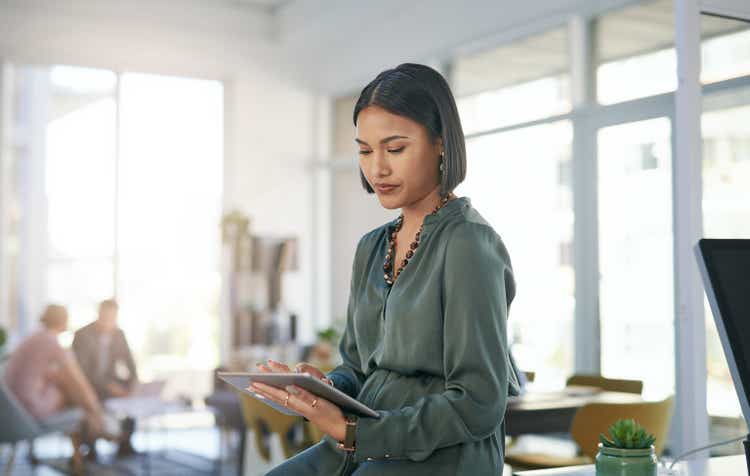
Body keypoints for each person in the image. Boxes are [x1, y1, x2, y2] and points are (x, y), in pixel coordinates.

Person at [250, 63, 521, 475]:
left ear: (441, 144)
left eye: (395, 149)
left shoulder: (469, 245)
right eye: (364, 150)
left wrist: (357, 432)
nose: (377, 168)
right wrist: (322, 387)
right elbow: (358, 370)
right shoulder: (371, 247)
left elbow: (479, 402)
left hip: (446, 452)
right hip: (364, 440)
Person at [4, 304, 107, 438]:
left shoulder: (33, 337)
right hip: (28, 411)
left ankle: (96, 423)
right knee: (69, 386)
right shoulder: (51, 341)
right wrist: (95, 408)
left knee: (60, 379)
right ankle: (99, 423)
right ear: (63, 320)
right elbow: (77, 379)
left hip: (10, 411)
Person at [72, 298, 138, 458]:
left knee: (131, 403)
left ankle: (125, 443)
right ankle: (90, 446)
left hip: (110, 382)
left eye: (113, 317)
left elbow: (129, 362)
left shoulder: (119, 334)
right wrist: (108, 386)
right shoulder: (83, 335)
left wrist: (134, 382)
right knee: (91, 405)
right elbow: (81, 371)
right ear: (99, 314)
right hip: (87, 384)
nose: (109, 321)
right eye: (106, 316)